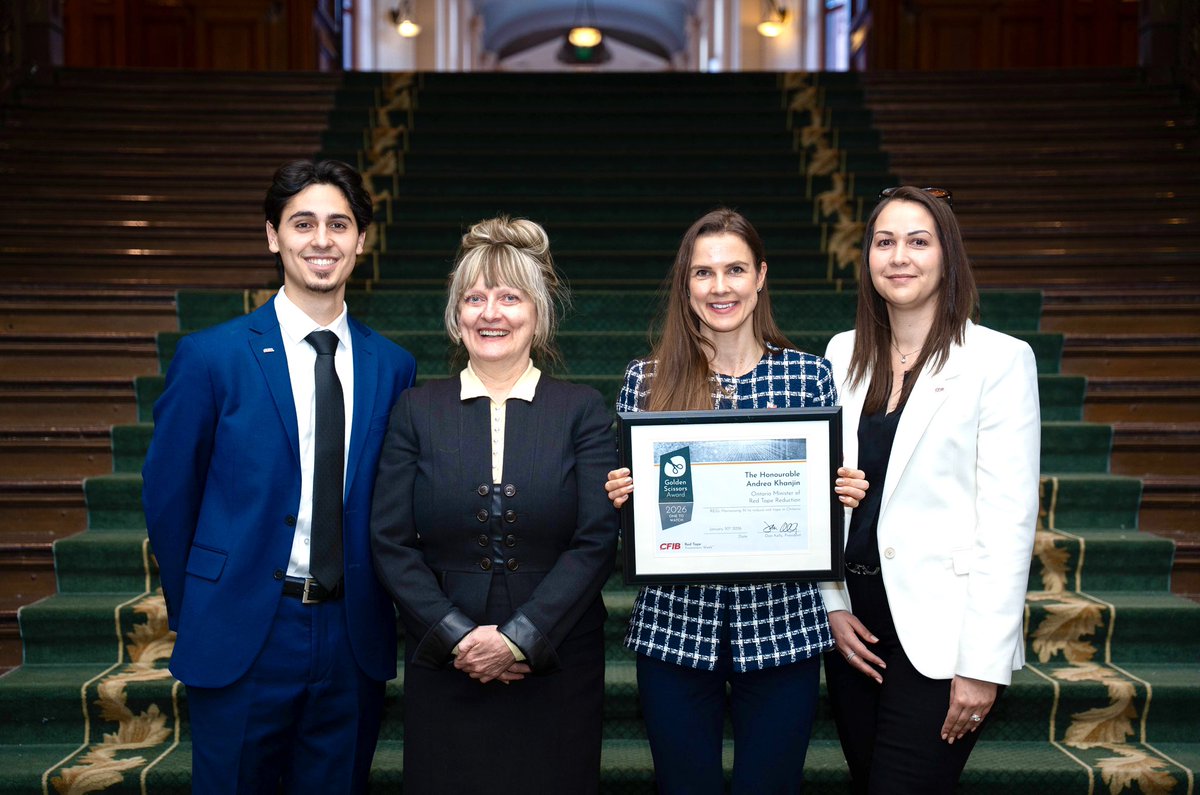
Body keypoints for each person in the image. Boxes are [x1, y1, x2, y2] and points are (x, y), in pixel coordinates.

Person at [142, 159, 417, 793]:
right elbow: (169, 495)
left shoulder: (392, 365)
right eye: (303, 223)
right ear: (273, 236)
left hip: (352, 636)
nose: (322, 240)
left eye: (339, 224)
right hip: (243, 627)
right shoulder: (212, 357)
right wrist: (200, 605)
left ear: (361, 240)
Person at [603, 208, 868, 795]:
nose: (720, 287)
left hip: (784, 627)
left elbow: (822, 503)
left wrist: (841, 498)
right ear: (686, 284)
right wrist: (625, 500)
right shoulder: (645, 381)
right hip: (674, 627)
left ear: (761, 276)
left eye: (735, 270)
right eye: (703, 273)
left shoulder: (809, 377)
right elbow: (646, 519)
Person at [369, 217, 619, 794]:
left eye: (510, 297)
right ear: (457, 316)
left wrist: (520, 636)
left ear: (538, 312)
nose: (491, 313)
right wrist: (457, 636)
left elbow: (596, 540)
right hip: (446, 659)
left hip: (557, 655)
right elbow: (390, 541)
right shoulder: (416, 409)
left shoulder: (581, 409)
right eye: (475, 298)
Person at [819, 186, 1040, 794]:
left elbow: (1008, 522)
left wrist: (982, 665)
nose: (900, 257)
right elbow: (823, 495)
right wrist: (832, 604)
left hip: (944, 638)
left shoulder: (998, 360)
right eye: (885, 242)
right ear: (866, 258)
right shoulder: (842, 354)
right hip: (854, 631)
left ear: (948, 256)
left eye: (919, 242)